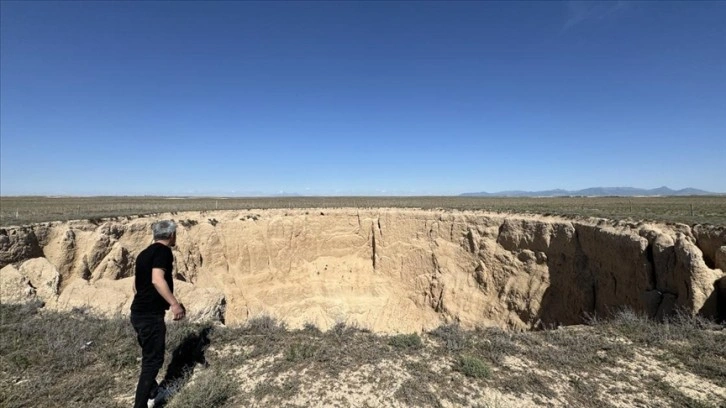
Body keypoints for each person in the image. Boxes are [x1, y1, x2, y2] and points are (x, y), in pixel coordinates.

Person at [130, 220, 185, 408]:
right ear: (171, 235)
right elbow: (157, 279)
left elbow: (136, 285)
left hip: (137, 313)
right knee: (153, 362)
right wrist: (174, 304)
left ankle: (153, 390)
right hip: (150, 315)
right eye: (175, 234)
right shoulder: (163, 252)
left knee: (149, 355)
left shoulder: (144, 253)